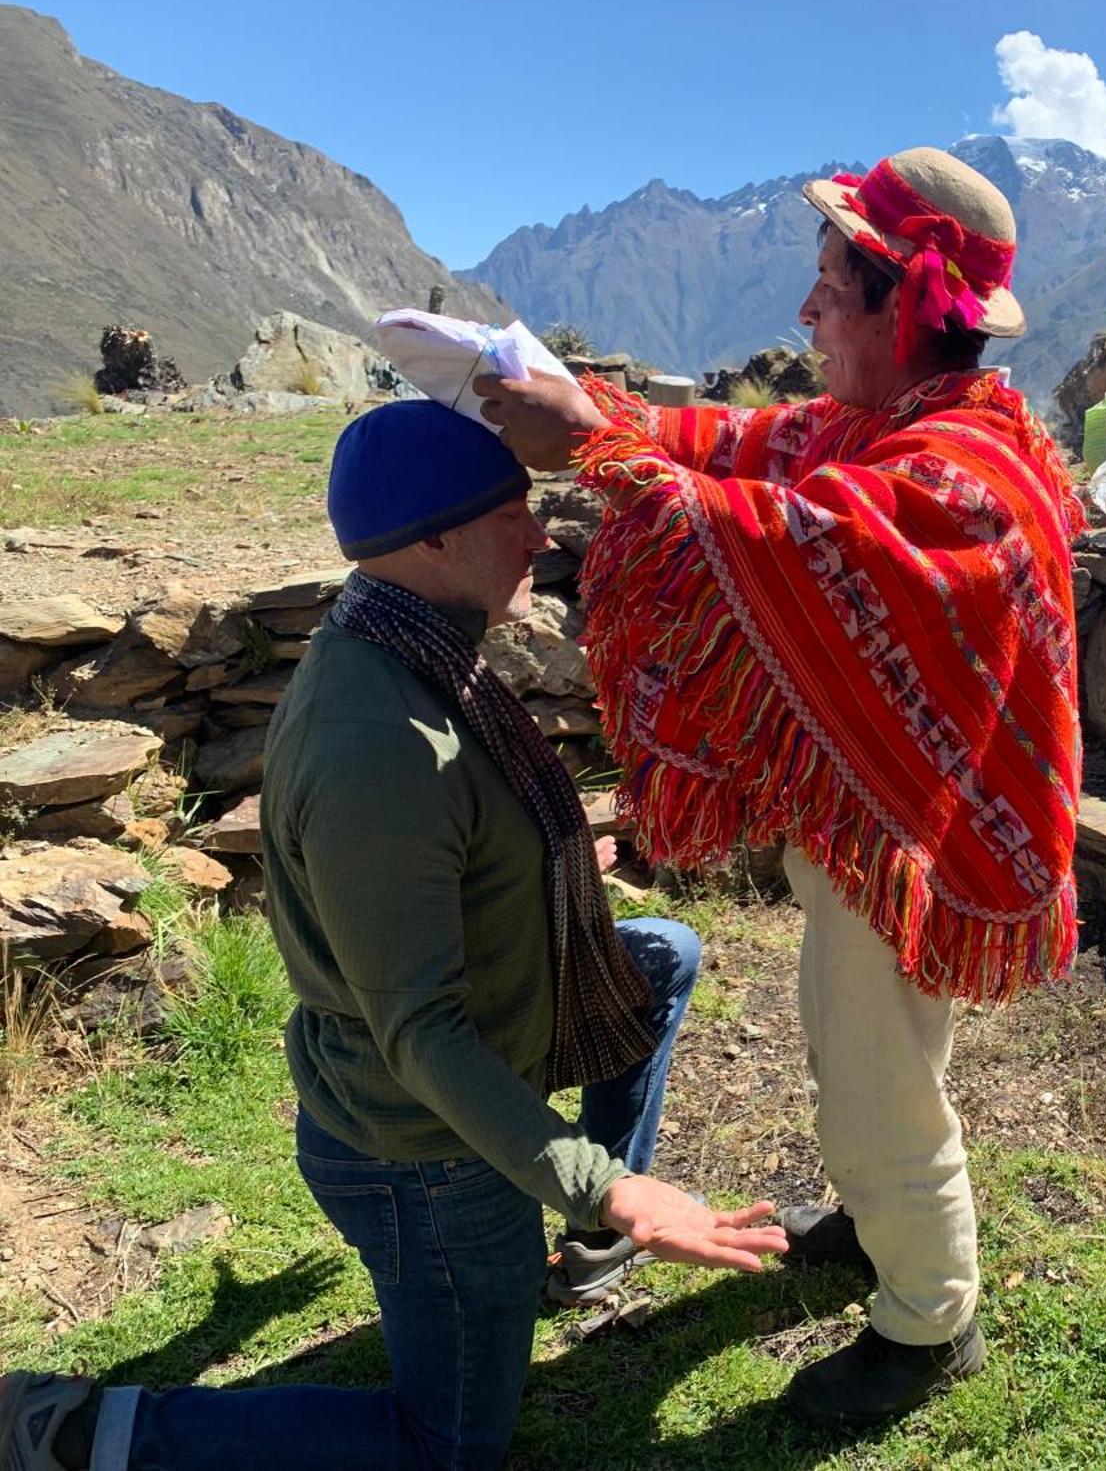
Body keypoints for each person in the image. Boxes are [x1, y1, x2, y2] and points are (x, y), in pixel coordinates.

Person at [0, 402, 787, 1471]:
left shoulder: (409, 642)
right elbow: (421, 1031)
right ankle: (81, 1431)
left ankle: (588, 1238)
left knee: (656, 957)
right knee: (445, 1448)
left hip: (440, 1104)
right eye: (511, 515)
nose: (540, 537)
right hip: (420, 1156)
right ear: (433, 542)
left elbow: (451, 853)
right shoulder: (384, 744)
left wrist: (537, 878)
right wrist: (613, 1184)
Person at [472, 146, 1085, 1426]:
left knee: (879, 1078)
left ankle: (930, 1321)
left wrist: (596, 458)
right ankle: (873, 1228)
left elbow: (794, 538)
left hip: (920, 839)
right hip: (880, 823)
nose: (804, 313)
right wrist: (591, 415)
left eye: (827, 286)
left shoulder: (959, 478)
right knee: (854, 1044)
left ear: (904, 306)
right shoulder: (883, 429)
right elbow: (738, 443)